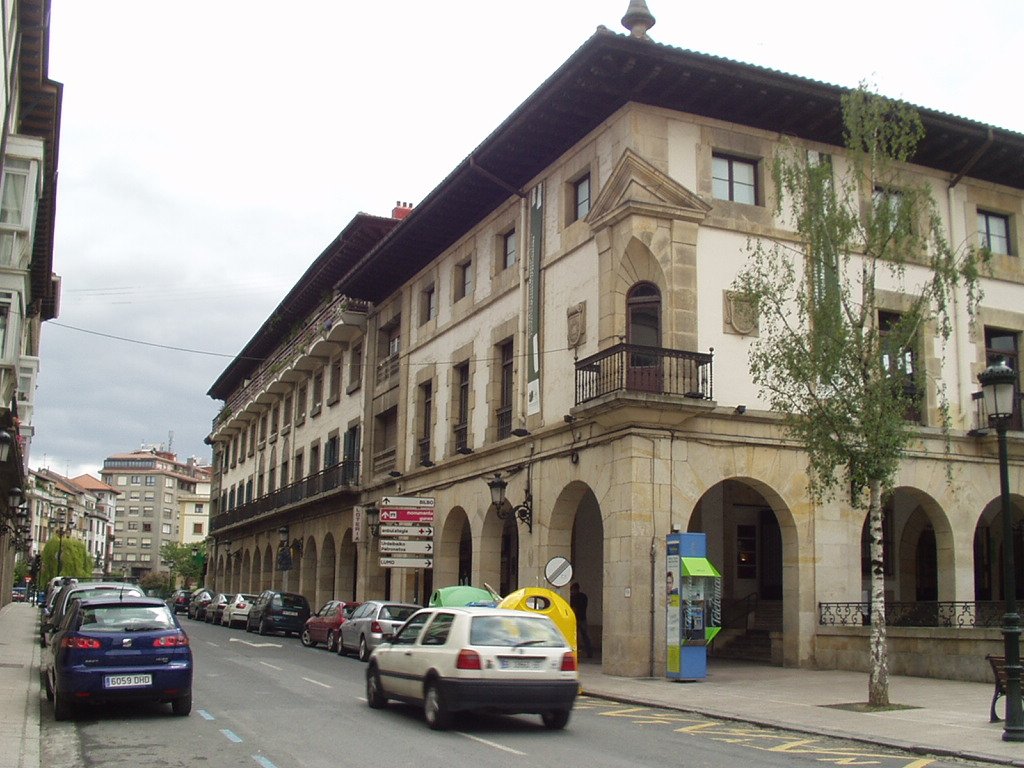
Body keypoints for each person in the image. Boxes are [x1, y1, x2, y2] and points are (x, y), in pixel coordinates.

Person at [569, 582, 593, 659]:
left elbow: (577, 607)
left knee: (583, 636)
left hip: (580, 619)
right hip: (581, 618)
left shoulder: (580, 597)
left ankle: (587, 652)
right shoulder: (582, 596)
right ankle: (587, 652)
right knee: (584, 636)